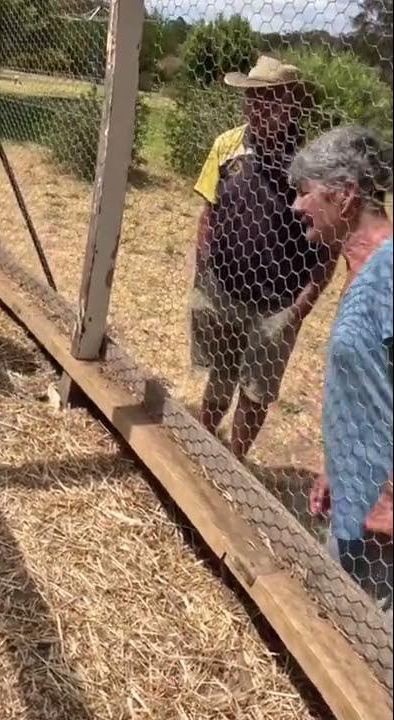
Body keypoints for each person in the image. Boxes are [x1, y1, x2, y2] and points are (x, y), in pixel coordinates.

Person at [189, 55, 335, 461]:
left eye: (269, 99)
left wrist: (301, 307)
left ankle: (235, 463)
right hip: (226, 290)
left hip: (278, 304)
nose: (257, 107)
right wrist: (205, 271)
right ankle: (203, 442)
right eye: (252, 98)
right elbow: (208, 213)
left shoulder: (313, 165)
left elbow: (330, 246)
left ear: (291, 104)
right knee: (220, 373)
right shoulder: (227, 146)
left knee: (255, 391)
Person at [290, 125, 393, 609]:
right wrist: (336, 466)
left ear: (345, 196)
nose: (297, 207)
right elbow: (370, 385)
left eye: (305, 193)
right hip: (356, 504)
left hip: (383, 525)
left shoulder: (389, 271)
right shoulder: (360, 268)